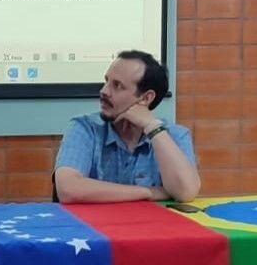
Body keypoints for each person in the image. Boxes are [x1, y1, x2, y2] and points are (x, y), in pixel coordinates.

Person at [52, 50, 200, 203]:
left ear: (146, 98)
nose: (103, 91)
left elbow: (186, 192)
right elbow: (68, 189)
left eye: (117, 85)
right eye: (106, 81)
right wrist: (148, 192)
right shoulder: (85, 128)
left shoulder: (174, 135)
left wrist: (152, 127)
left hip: (152, 225)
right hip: (92, 225)